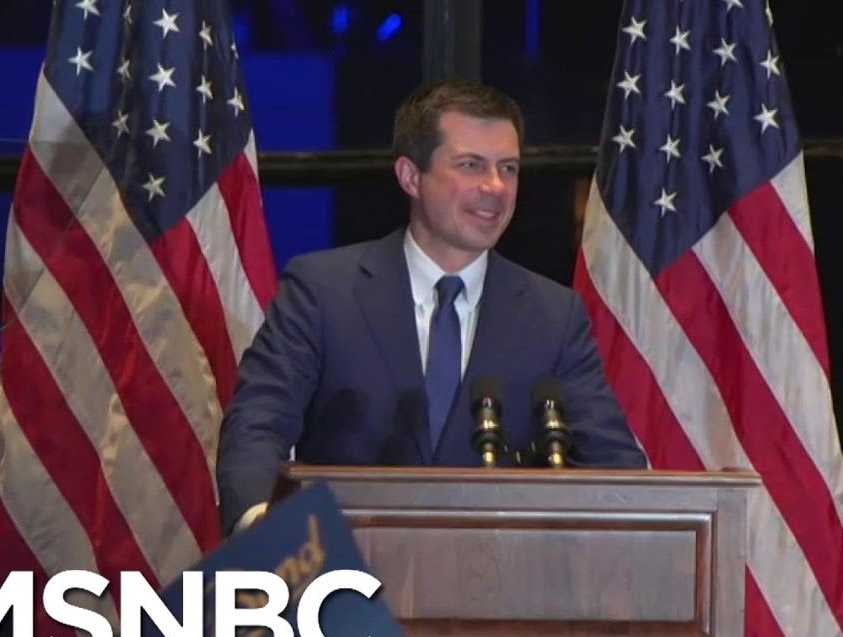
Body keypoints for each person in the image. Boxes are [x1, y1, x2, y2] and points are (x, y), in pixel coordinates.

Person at [215, 79, 647, 534]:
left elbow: (614, 468)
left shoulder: (554, 316)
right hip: (343, 565)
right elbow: (257, 424)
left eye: (509, 168)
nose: (496, 187)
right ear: (410, 176)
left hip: (502, 569)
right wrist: (263, 531)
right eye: (471, 165)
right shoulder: (323, 291)